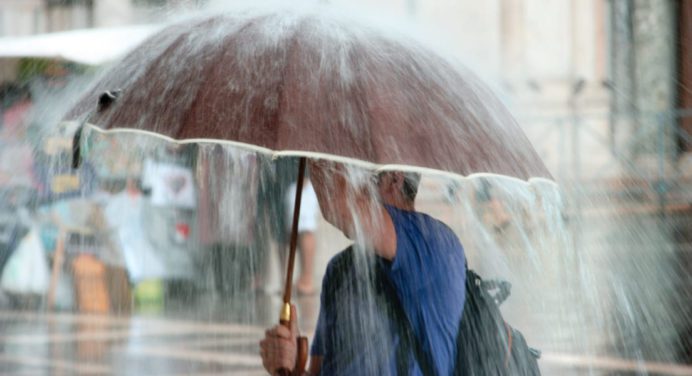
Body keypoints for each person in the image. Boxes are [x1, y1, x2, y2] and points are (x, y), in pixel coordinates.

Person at [260, 161, 467, 375]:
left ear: (395, 178)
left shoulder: (434, 243)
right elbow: (319, 371)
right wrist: (289, 365)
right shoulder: (341, 267)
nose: (352, 181)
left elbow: (338, 205)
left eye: (359, 172)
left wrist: (312, 145)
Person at [283, 177, 320, 295]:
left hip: (298, 177)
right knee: (292, 229)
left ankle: (307, 280)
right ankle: (297, 279)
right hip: (283, 177)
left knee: (304, 226)